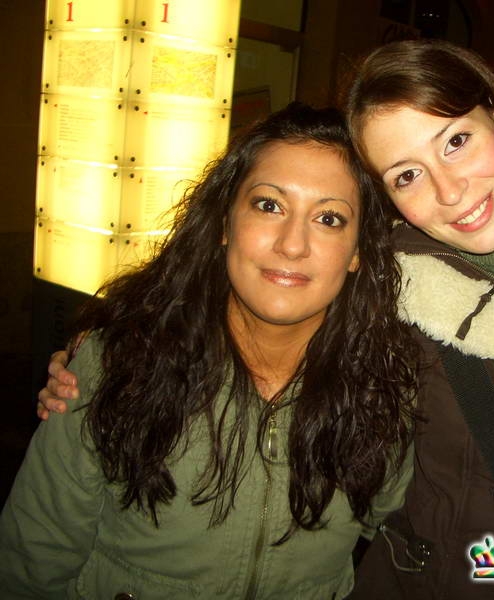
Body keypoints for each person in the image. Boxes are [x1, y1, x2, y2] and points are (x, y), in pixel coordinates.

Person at [39, 40, 494, 599]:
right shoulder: (385, 275)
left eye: (455, 141)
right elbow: (255, 304)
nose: (449, 190)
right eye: (405, 175)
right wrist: (103, 356)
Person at [3, 103, 418, 599]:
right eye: (269, 205)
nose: (292, 244)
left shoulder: (385, 385)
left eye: (329, 218)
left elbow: (413, 530)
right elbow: (33, 559)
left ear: (357, 253)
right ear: (225, 223)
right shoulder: (120, 362)